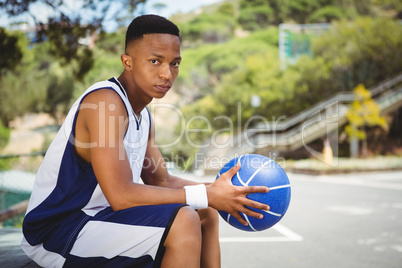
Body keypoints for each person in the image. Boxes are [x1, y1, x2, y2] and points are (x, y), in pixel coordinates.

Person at [21, 14, 270, 268]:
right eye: (155, 61)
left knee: (206, 211)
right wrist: (206, 193)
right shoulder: (105, 103)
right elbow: (121, 194)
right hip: (58, 229)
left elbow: (161, 180)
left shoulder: (142, 115)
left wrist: (220, 190)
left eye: (175, 63)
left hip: (101, 218)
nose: (167, 73)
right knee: (184, 219)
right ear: (127, 62)